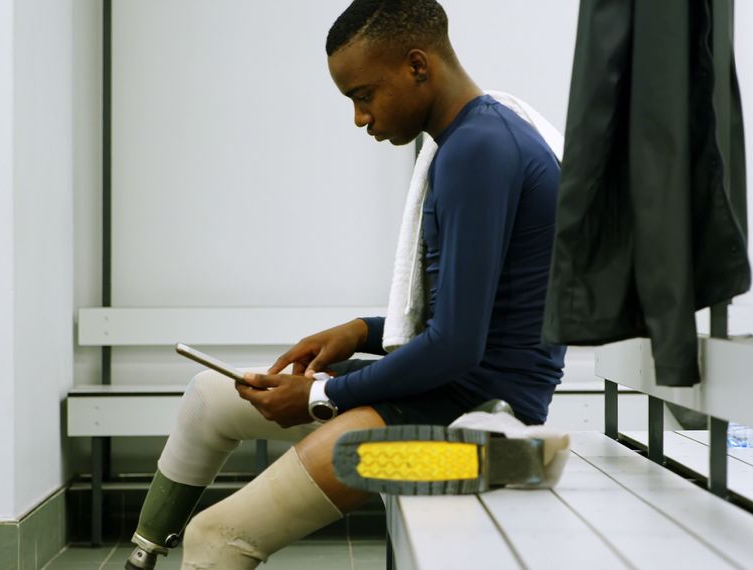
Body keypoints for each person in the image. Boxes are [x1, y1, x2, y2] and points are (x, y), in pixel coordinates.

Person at [125, 1, 565, 568]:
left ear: (416, 66)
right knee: (209, 397)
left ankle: (510, 460)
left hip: (473, 414)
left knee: (216, 535)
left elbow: (457, 343)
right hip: (441, 389)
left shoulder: (479, 150)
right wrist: (358, 331)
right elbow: (469, 316)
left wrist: (321, 395)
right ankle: (143, 556)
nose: (361, 118)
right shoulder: (473, 139)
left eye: (363, 95)